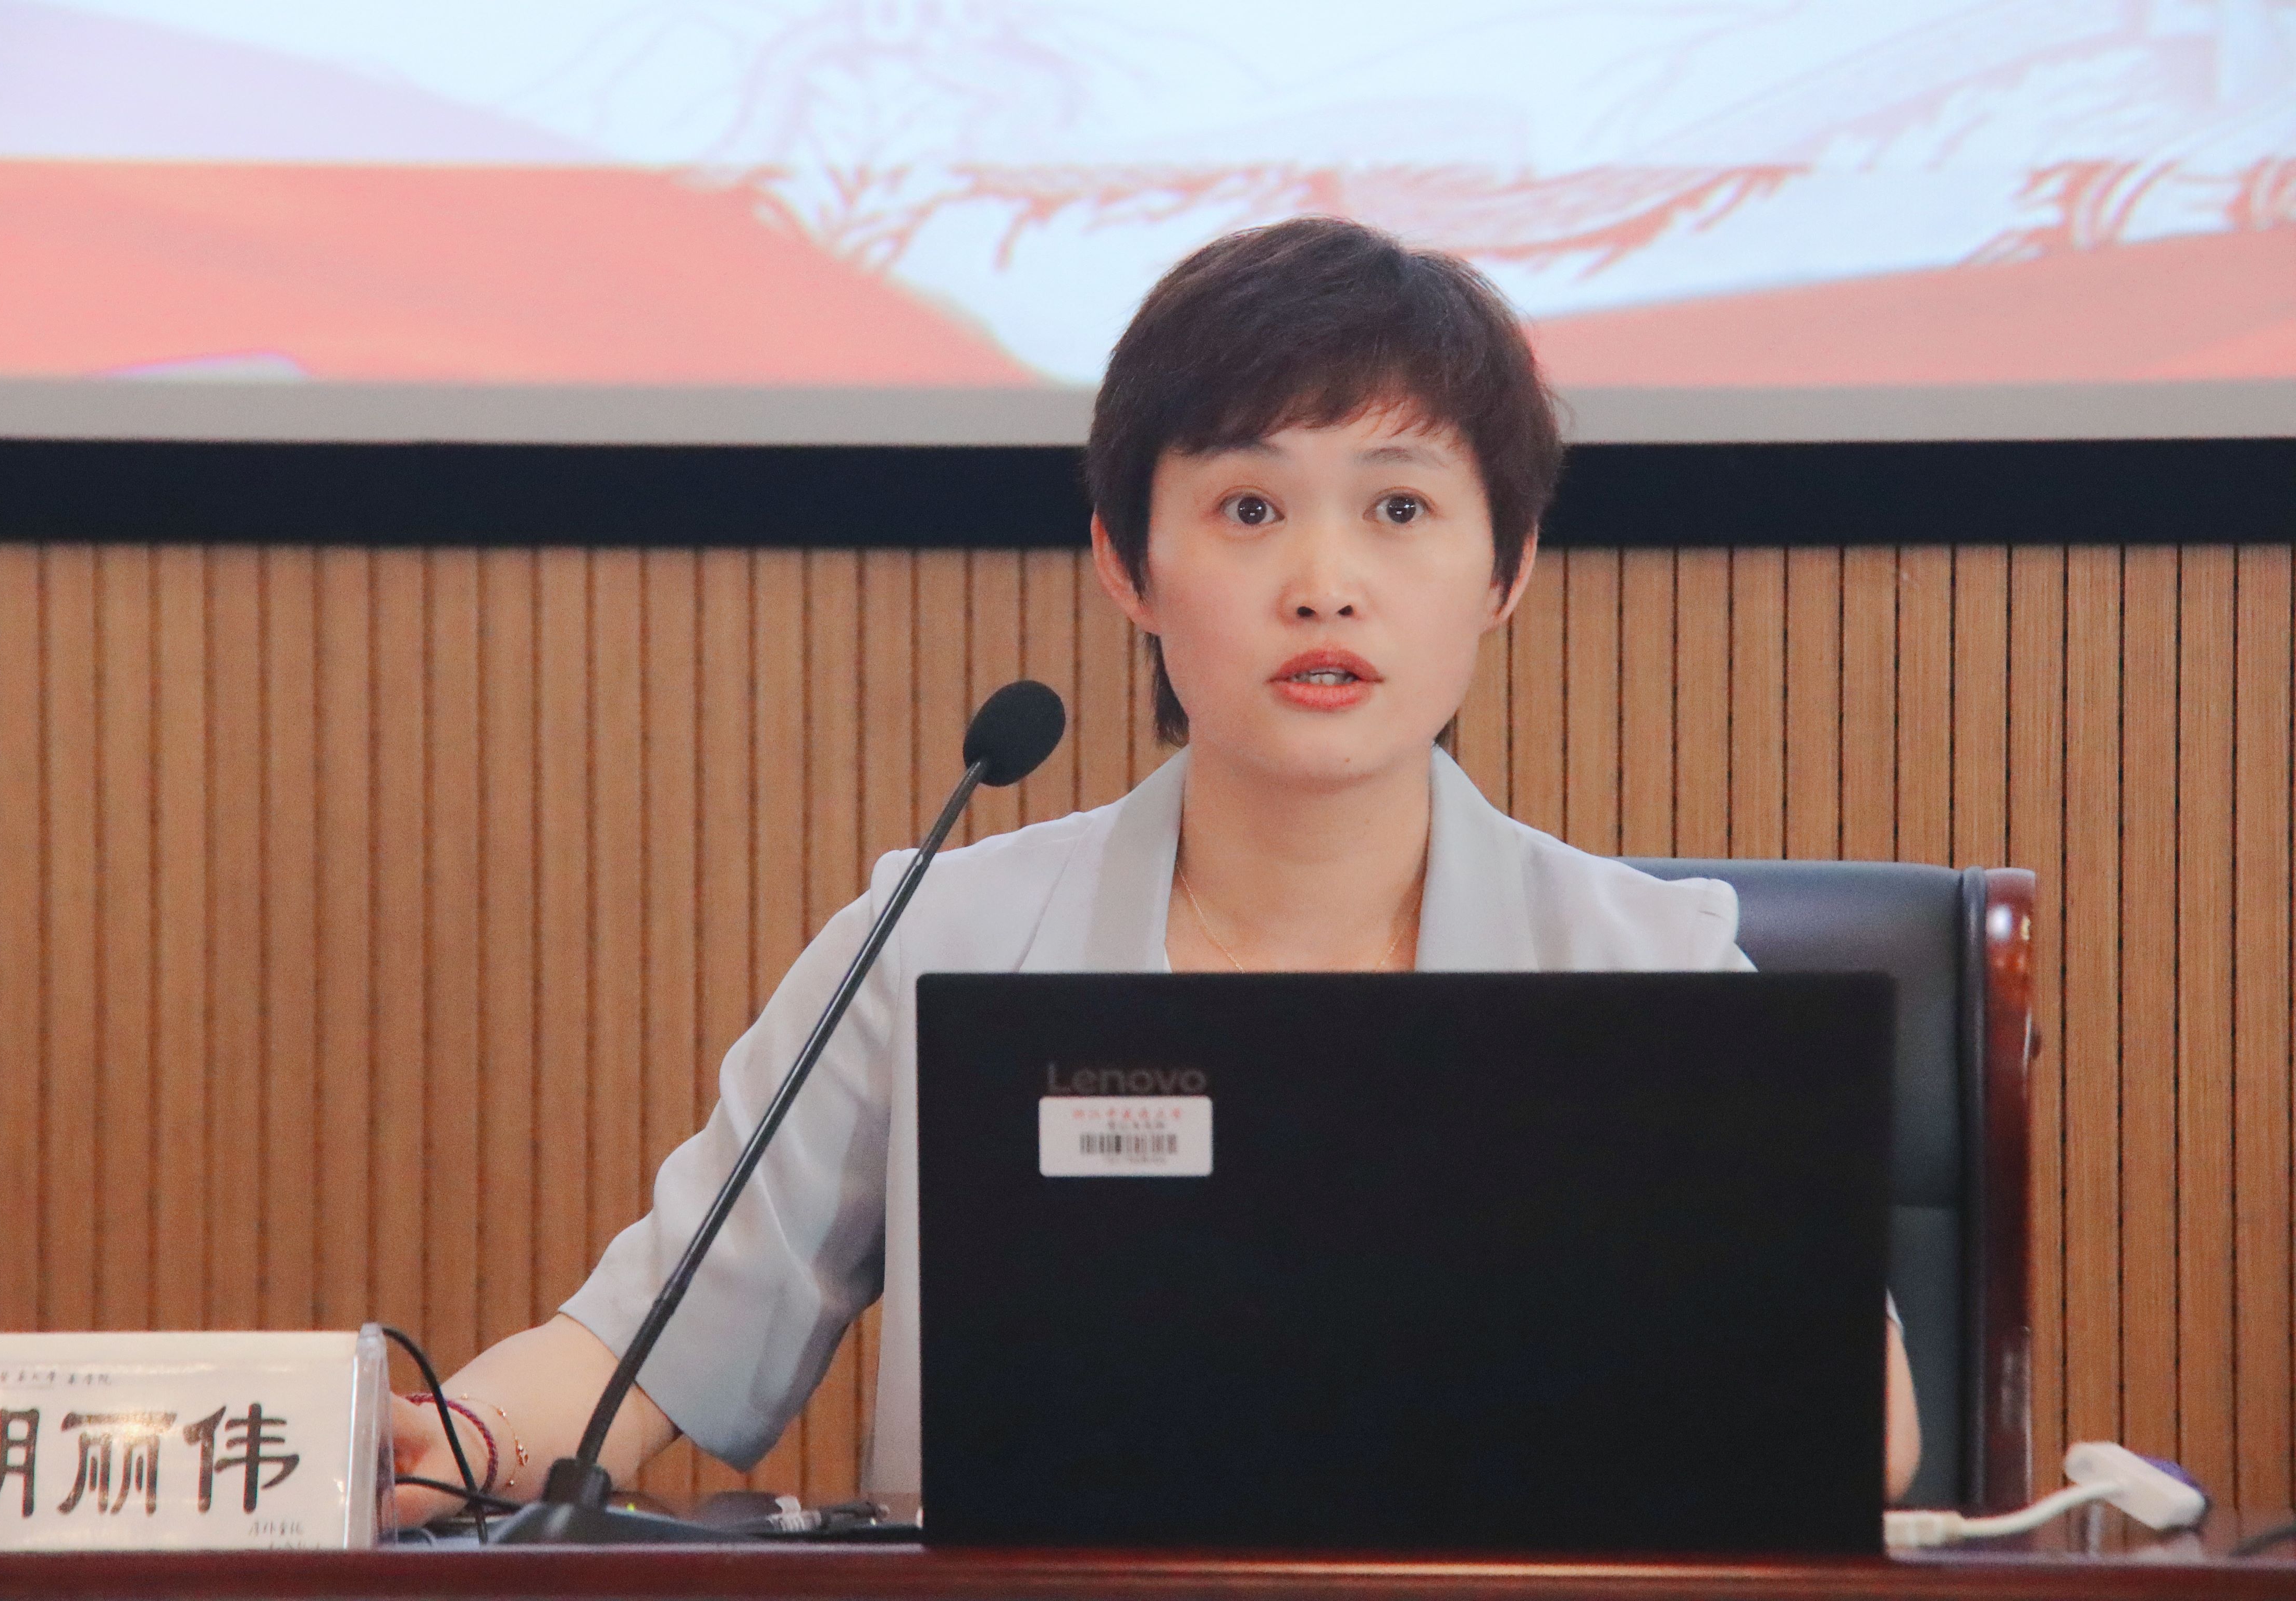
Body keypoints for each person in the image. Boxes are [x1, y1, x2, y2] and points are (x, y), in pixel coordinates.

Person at [391, 217, 1922, 1521]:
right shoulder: (940, 938)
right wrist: (440, 1449)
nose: (1324, 584)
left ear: (1506, 570)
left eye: (1400, 508)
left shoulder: (1650, 965)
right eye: (1249, 508)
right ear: (1127, 563)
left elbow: (1862, 1433)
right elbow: (640, 1344)